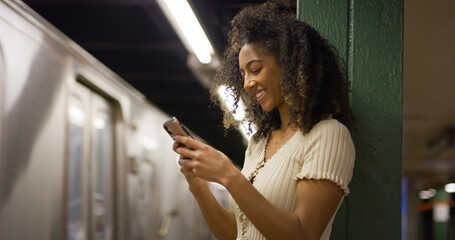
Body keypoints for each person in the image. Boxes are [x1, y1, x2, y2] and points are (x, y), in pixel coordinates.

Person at [172, 1, 355, 239]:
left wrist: (229, 175)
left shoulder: (328, 134)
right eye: (243, 74)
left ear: (291, 66)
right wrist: (198, 186)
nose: (247, 83)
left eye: (255, 69)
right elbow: (235, 233)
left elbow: (304, 233)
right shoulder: (259, 144)